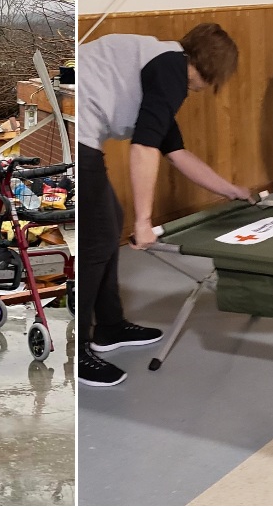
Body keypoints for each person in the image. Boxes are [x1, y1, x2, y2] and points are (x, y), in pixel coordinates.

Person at [77, 23, 253, 386]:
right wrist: (145, 221)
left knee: (110, 220)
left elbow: (176, 152)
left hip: (78, 125)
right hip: (73, 128)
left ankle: (109, 327)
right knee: (97, 238)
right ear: (208, 67)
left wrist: (230, 189)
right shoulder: (171, 69)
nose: (199, 91)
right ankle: (76, 352)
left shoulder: (161, 64)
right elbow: (144, 147)